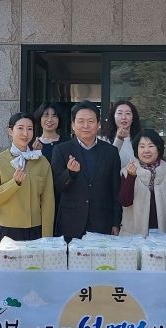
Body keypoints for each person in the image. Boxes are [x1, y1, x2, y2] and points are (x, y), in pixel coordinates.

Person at [51, 100, 122, 240]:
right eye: (81, 121)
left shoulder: (111, 152)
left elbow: (116, 190)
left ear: (98, 124)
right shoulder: (61, 150)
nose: (86, 126)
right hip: (71, 222)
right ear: (73, 125)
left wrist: (116, 222)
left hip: (102, 221)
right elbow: (56, 186)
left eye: (91, 121)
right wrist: (70, 173)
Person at [0, 112, 54, 240]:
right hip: (6, 229)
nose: (25, 133)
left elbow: (48, 202)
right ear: (10, 131)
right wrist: (14, 183)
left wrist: (47, 236)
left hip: (35, 230)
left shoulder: (41, 162)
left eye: (30, 129)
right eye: (20, 128)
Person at [118, 129, 166, 236]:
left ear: (158, 148)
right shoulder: (127, 171)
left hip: (165, 237)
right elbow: (125, 202)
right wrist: (131, 177)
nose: (146, 150)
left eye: (151, 146)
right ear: (136, 150)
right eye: (142, 146)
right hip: (134, 238)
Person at [101, 100, 142, 169]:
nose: (124, 117)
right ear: (113, 117)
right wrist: (118, 139)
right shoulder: (104, 140)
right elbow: (106, 164)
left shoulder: (140, 140)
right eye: (120, 113)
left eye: (128, 113)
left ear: (133, 118)